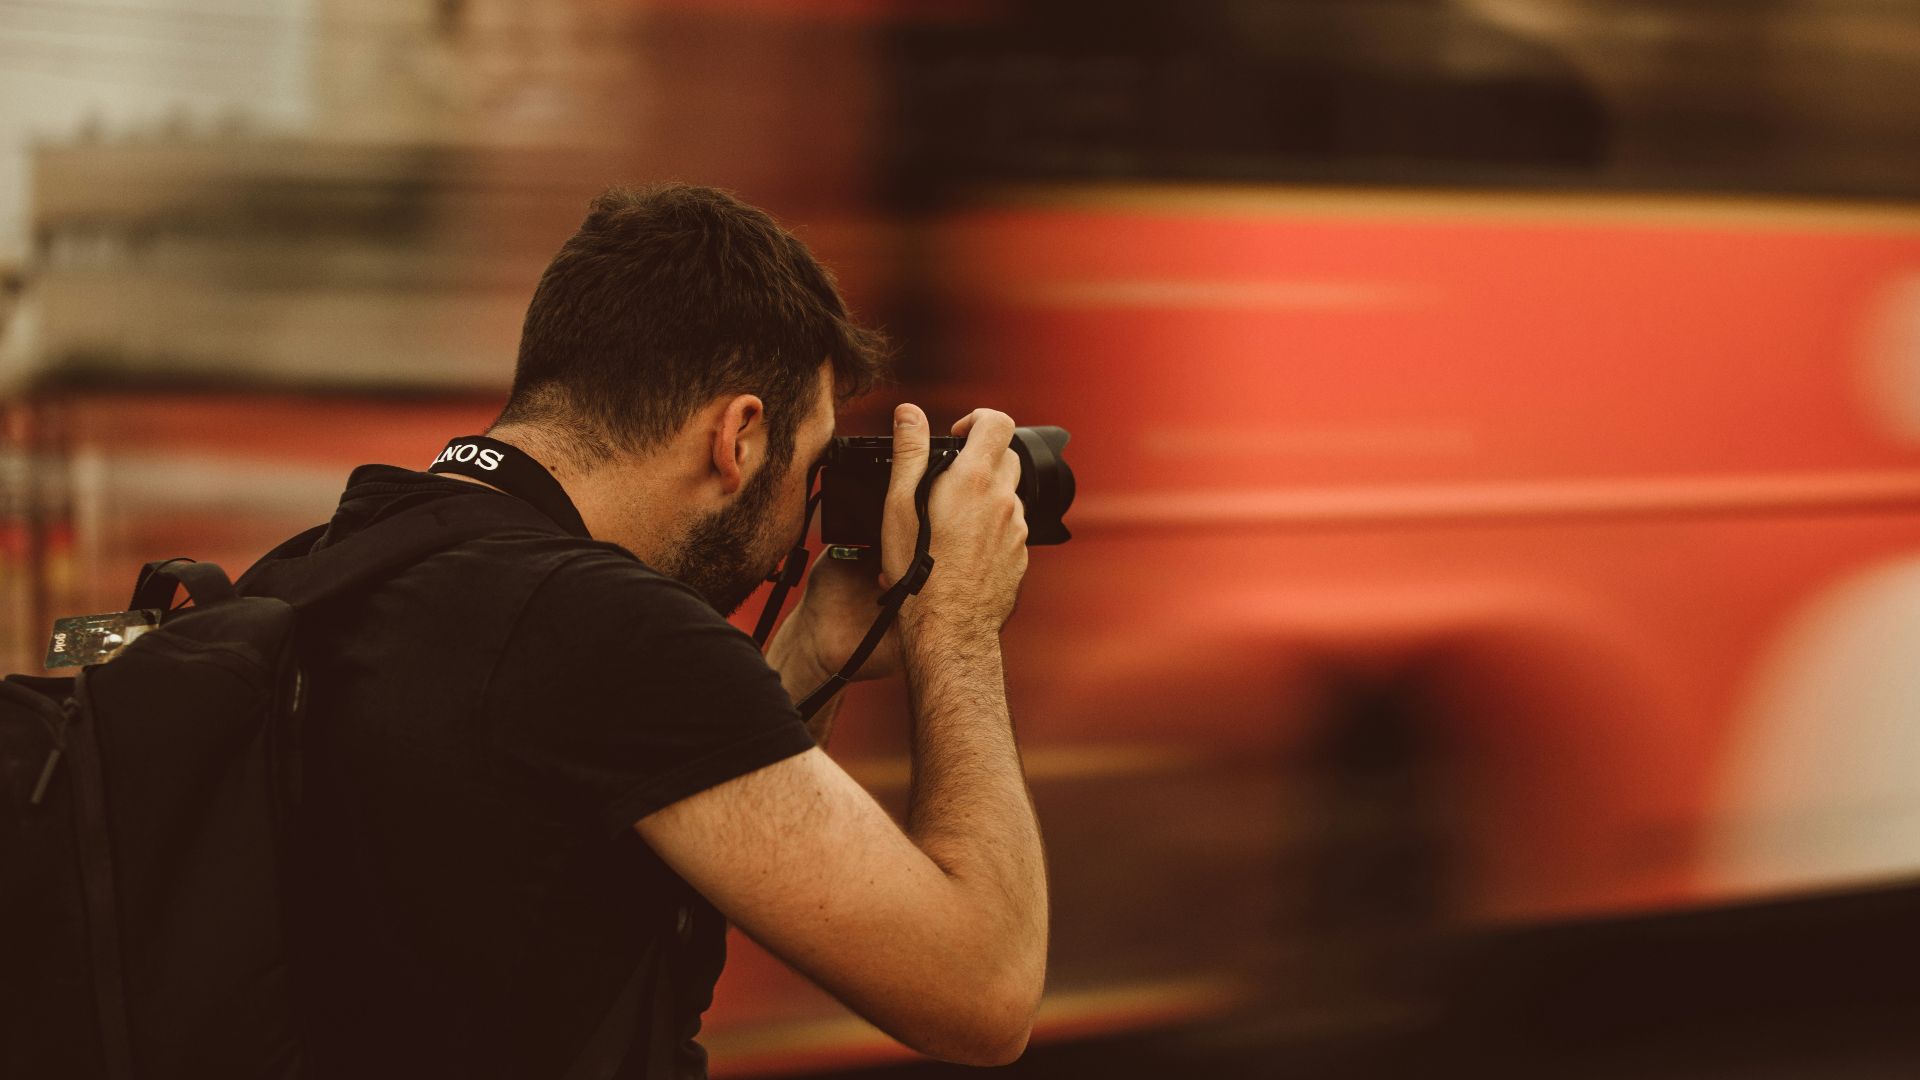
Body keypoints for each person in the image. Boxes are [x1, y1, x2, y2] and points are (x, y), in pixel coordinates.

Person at [248, 184, 1048, 1078]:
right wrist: (959, 625)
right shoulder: (604, 628)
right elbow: (986, 993)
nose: (802, 523)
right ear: (737, 436)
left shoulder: (333, 560)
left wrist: (808, 655)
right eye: (812, 467)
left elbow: (621, 825)